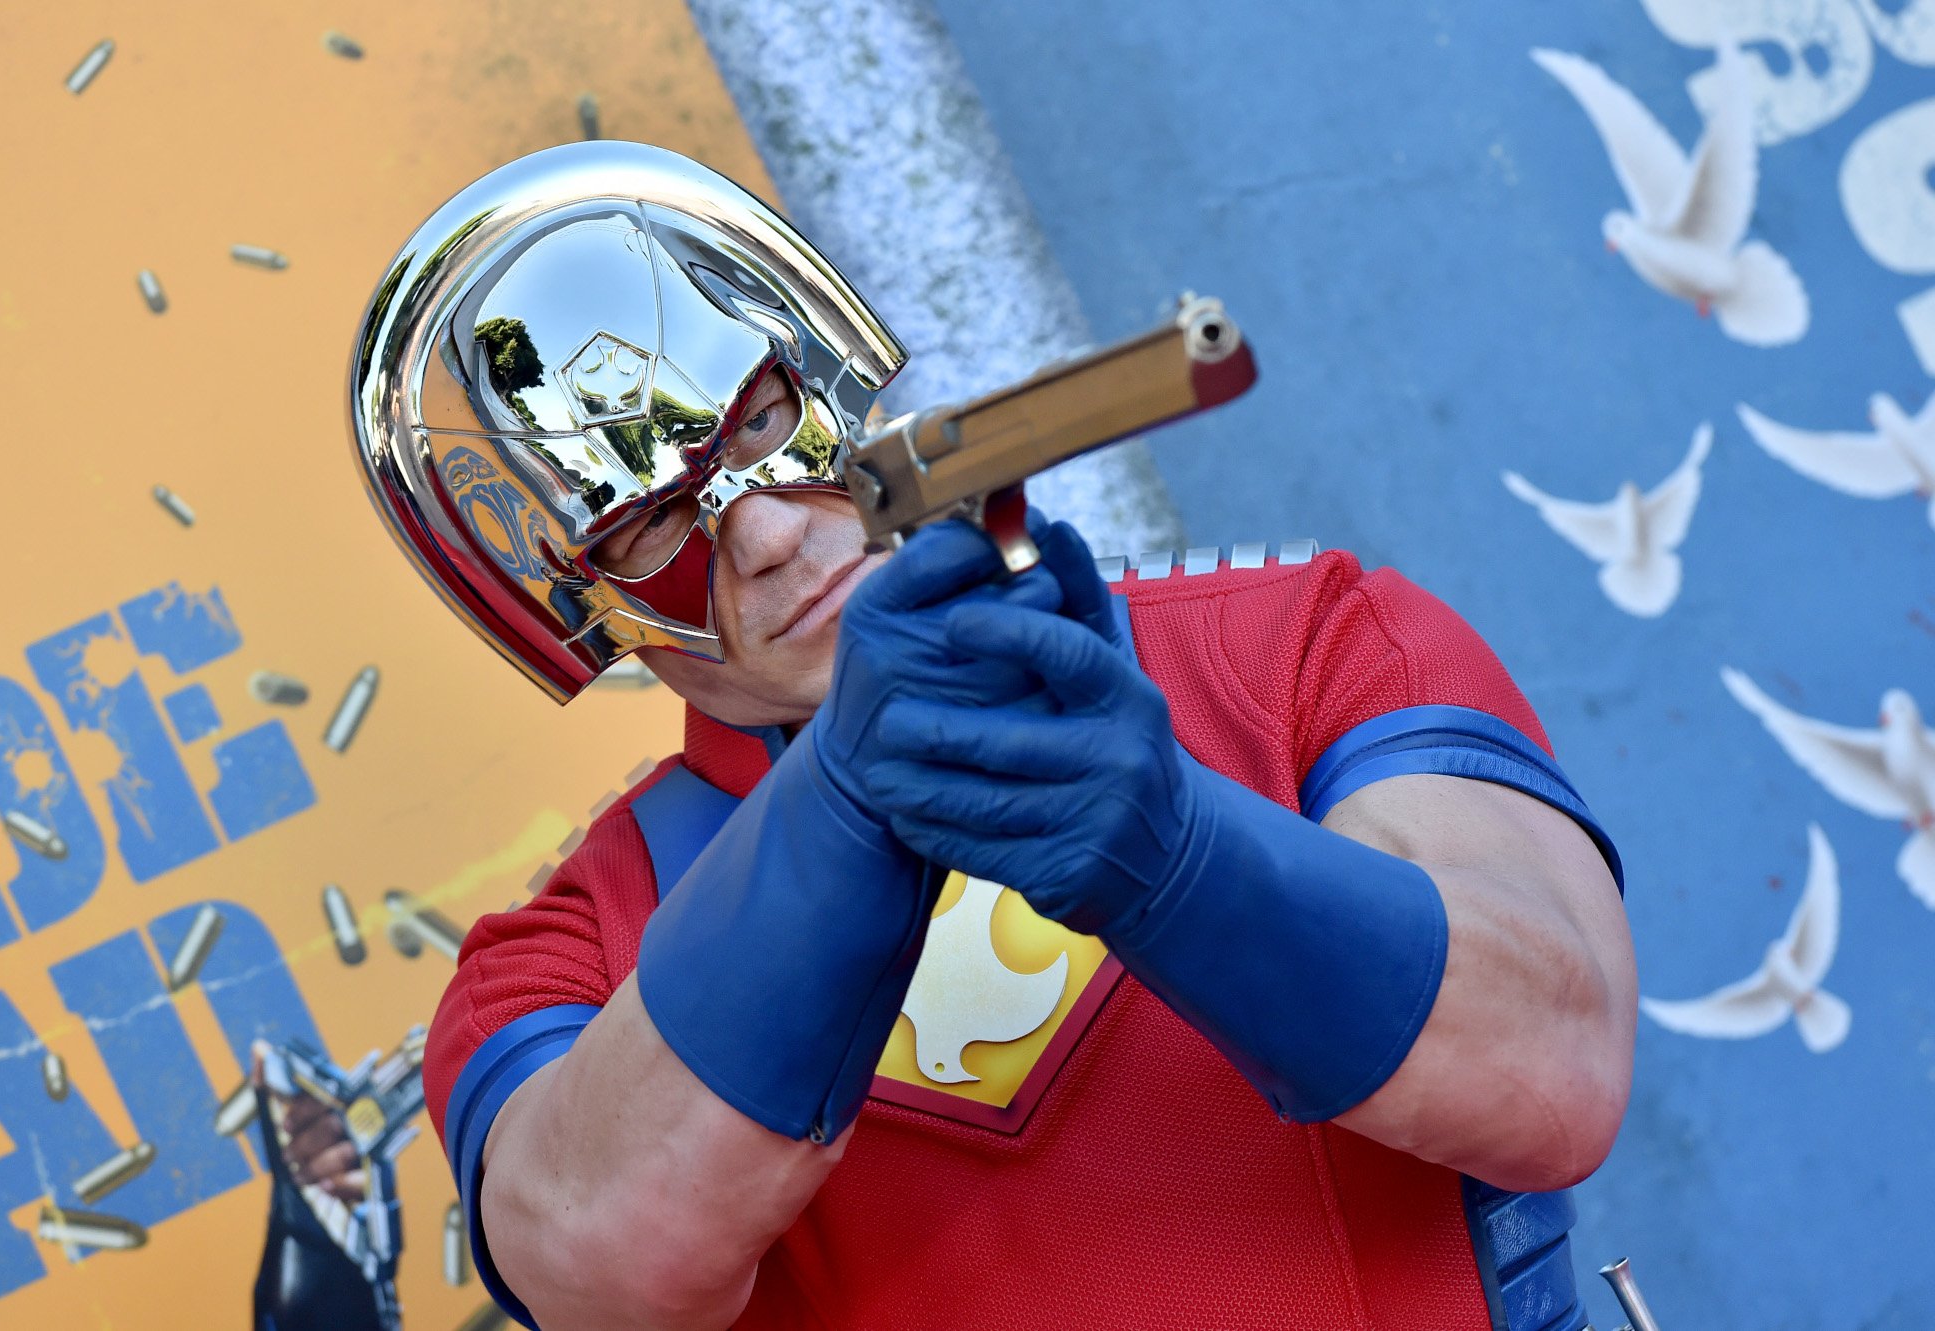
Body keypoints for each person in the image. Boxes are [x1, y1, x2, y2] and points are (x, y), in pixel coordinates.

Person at [348, 141, 1636, 1331]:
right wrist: (835, 818)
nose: (773, 532)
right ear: (586, 596)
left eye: (758, 423)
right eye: (653, 525)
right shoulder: (564, 955)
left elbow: (1554, 1062)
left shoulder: (1301, 638)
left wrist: (1186, 858)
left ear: (824, 373)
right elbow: (597, 1267)